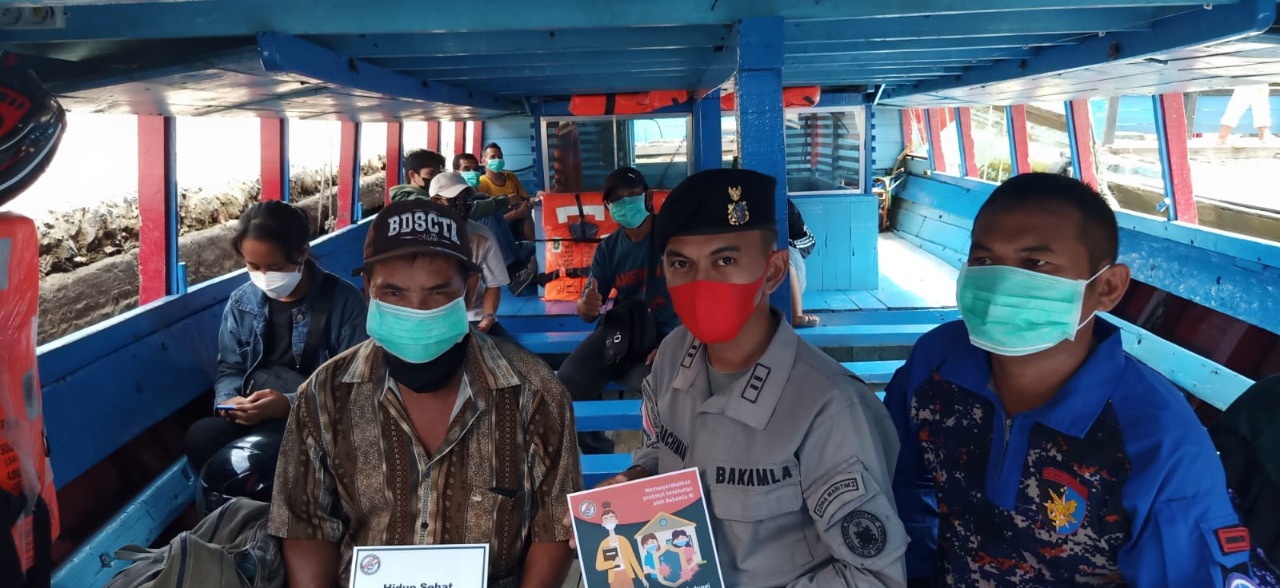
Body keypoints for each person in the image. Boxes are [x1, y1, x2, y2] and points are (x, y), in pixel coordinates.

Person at [886, 173, 1257, 586]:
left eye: (1035, 263)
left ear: (1108, 287)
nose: (1001, 284)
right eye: (985, 262)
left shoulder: (1156, 437)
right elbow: (899, 483)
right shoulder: (937, 363)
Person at [583, 168, 910, 587]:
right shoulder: (671, 356)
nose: (702, 282)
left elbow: (874, 578)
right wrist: (638, 479)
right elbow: (662, 446)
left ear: (773, 271)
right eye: (682, 263)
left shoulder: (830, 409)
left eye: (725, 261)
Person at [268, 199, 580, 588]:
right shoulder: (325, 393)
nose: (416, 310)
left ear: (469, 290)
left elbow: (555, 526)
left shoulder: (534, 390)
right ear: (368, 291)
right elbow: (305, 523)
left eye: (437, 293)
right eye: (394, 293)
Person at [187, 200, 367, 471]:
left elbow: (355, 387)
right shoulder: (241, 303)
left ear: (302, 253)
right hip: (255, 417)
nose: (264, 276)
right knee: (202, 436)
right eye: (253, 266)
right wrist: (230, 402)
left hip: (316, 420)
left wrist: (288, 404)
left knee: (270, 450)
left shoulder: (345, 303)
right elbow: (231, 368)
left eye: (276, 267)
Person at [559, 166, 678, 455]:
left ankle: (667, 459)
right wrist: (585, 306)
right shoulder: (609, 249)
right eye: (617, 200)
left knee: (668, 387)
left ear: (647, 196)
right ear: (608, 207)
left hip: (671, 334)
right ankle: (597, 449)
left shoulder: (674, 237)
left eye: (632, 195)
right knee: (568, 379)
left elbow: (699, 295)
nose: (625, 203)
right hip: (628, 332)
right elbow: (589, 307)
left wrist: (675, 342)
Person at [426, 171, 513, 338]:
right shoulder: (418, 237)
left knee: (507, 350)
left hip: (472, 318)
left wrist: (488, 317)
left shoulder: (482, 237)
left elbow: (493, 284)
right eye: (456, 200)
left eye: (466, 200)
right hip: (430, 319)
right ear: (436, 201)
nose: (463, 205)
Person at [478, 142, 536, 242]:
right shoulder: (481, 183)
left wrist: (531, 202)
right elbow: (489, 219)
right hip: (499, 227)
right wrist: (515, 214)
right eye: (493, 157)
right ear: (483, 161)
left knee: (526, 212)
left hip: (519, 221)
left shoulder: (510, 176)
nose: (497, 160)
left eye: (500, 157)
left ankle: (534, 246)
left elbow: (524, 199)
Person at [594, 503, 646, 588]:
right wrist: (613, 563)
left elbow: (632, 559)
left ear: (616, 521)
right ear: (603, 524)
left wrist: (642, 577)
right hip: (614, 577)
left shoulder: (623, 540)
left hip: (627, 574)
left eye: (612, 517)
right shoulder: (603, 544)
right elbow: (598, 566)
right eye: (606, 519)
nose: (609, 520)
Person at [787, 199, 820, 328]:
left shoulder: (783, 204)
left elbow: (809, 240)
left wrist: (784, 243)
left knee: (782, 256)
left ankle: (796, 315)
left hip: (786, 274)